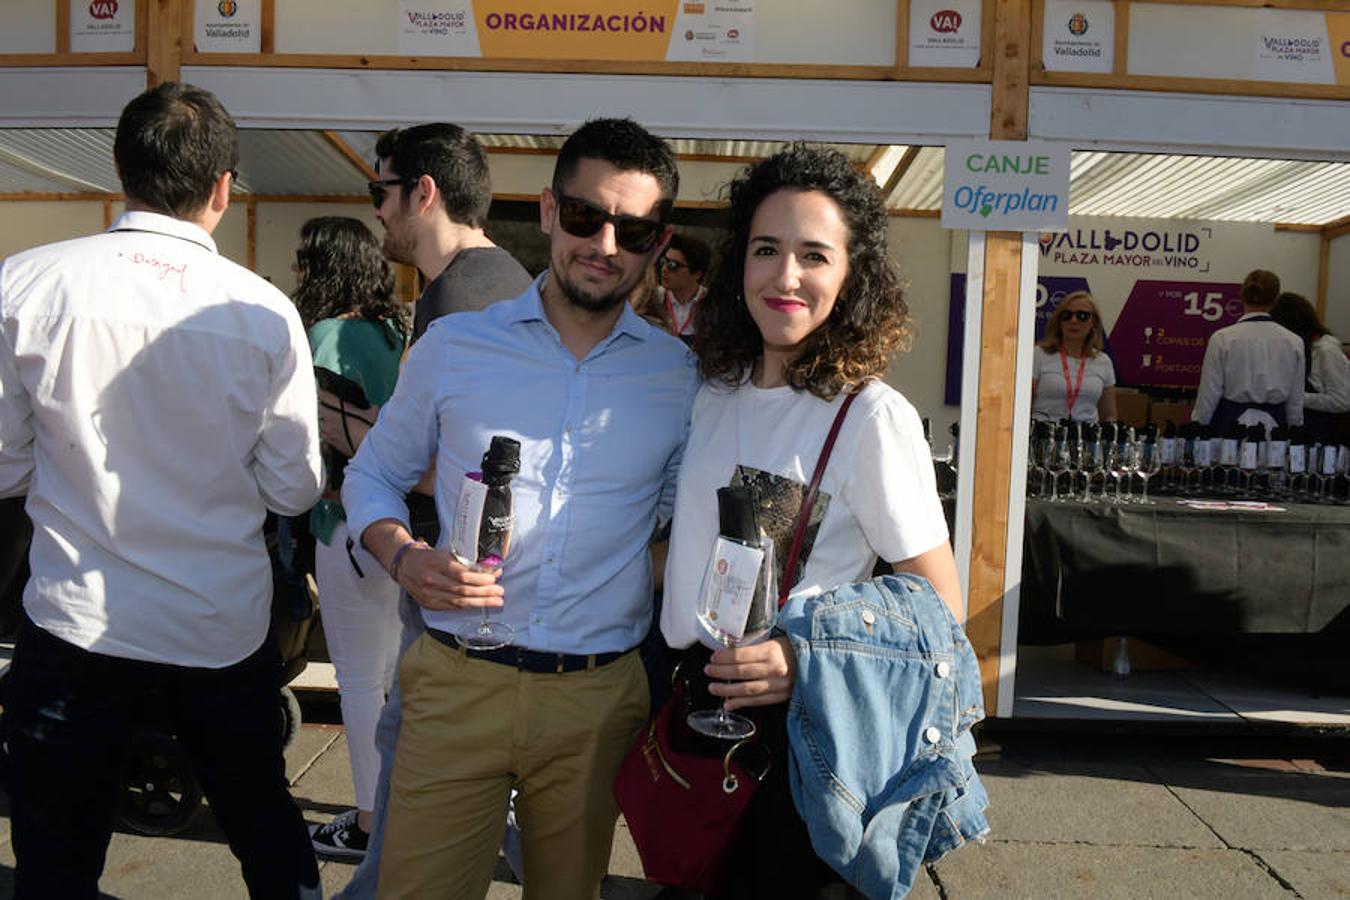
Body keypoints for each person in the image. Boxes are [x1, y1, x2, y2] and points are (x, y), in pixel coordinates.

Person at [341, 117, 699, 899]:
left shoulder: (680, 377)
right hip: (457, 682)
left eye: (632, 230)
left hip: (597, 699)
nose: (604, 244)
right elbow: (369, 478)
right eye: (584, 217)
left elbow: (679, 520)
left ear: (657, 242)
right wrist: (404, 557)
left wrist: (652, 567)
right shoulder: (455, 346)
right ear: (546, 210)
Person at [0, 82, 324, 899]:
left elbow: (3, 465)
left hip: (73, 623)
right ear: (224, 187)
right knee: (262, 824)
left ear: (119, 168)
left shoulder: (25, 286)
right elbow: (293, 487)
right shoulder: (265, 311)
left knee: (56, 854)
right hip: (216, 627)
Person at [661, 144, 962, 898]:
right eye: (766, 249)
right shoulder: (715, 392)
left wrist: (804, 661)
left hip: (797, 737)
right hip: (691, 708)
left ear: (851, 278)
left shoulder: (870, 417)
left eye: (813, 255)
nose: (785, 276)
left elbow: (941, 608)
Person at [331, 123, 532, 889]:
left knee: (417, 788)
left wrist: (343, 426)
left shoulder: (463, 302)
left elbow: (433, 465)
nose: (376, 212)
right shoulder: (491, 283)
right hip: (469, 600)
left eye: (380, 191)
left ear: (423, 192)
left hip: (458, 604)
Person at [291, 217, 408, 859]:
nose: (296, 273)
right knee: (392, 680)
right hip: (401, 530)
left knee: (360, 684)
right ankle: (393, 811)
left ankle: (368, 824)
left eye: (304, 261)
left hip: (347, 523)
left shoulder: (323, 336)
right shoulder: (395, 332)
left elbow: (304, 440)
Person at [1193, 269, 1304, 433]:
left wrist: (1198, 427)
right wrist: (1295, 431)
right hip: (1275, 429)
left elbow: (1209, 393)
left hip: (1230, 427)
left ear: (1242, 296)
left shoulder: (1222, 338)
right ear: (1276, 299)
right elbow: (1295, 399)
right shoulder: (1294, 341)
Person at [1270, 291, 1350, 444]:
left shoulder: (1326, 351)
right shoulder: (1303, 349)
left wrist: (1298, 397)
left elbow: (1342, 401)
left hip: (1323, 437)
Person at [1030, 290, 1117, 422]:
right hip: (1044, 435)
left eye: (1082, 316)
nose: (1073, 321)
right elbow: (1022, 406)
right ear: (1059, 321)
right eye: (1067, 315)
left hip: (1086, 438)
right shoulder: (1038, 354)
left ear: (1093, 323)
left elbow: (1109, 415)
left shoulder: (1103, 361)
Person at [656, 232, 711, 342]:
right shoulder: (653, 298)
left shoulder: (711, 303)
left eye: (673, 265)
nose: (664, 269)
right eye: (664, 262)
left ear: (697, 274)